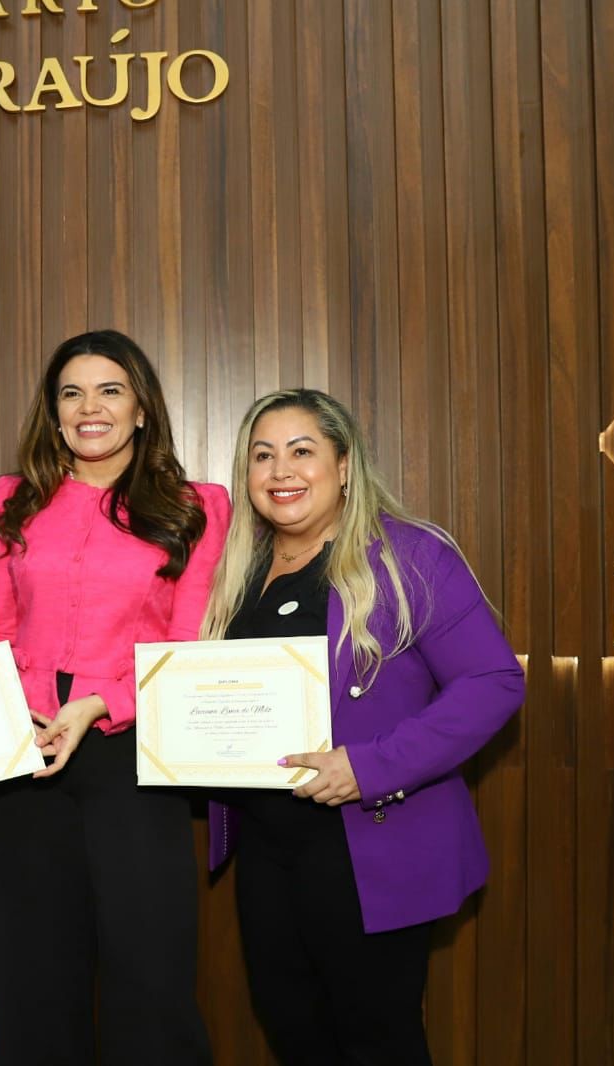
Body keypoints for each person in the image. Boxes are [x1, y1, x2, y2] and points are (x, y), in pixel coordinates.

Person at [200, 388, 525, 1065]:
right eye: (263, 456)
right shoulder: (240, 571)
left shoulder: (410, 556)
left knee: (378, 1041)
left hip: (370, 847)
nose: (281, 470)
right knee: (292, 1030)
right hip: (268, 852)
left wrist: (368, 766)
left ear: (344, 465)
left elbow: (494, 682)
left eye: (301, 451)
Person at [0, 329, 229, 1066]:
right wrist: (24, 706)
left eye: (110, 390)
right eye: (71, 393)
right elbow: (0, 628)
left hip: (133, 749)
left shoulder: (196, 507)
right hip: (25, 750)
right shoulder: (10, 501)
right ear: (53, 414)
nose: (91, 407)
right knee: (33, 977)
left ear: (142, 408)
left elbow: (185, 649)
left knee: (149, 974)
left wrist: (99, 704)